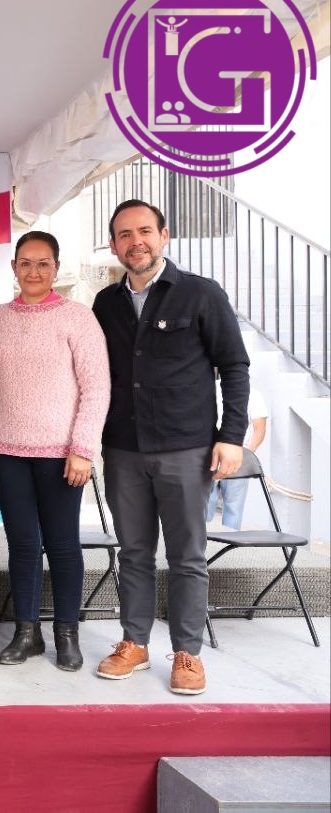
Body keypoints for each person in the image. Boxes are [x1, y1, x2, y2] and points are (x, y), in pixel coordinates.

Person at [93, 199, 249, 696]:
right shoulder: (105, 304)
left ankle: (187, 653)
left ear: (164, 236)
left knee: (187, 556)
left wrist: (231, 436)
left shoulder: (201, 294)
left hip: (186, 448)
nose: (135, 242)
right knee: (134, 552)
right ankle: (134, 643)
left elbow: (234, 366)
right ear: (114, 244)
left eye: (145, 231)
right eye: (124, 234)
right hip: (123, 448)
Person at [0, 231, 110, 671]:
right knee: (23, 544)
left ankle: (67, 633)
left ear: (56, 268)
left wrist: (83, 449)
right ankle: (26, 633)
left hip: (62, 453)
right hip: (5, 449)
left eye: (43, 263)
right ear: (13, 267)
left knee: (63, 544)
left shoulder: (78, 318)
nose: (33, 271)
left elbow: (97, 387)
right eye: (25, 263)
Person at [205, 376, 268, 529]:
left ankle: (201, 541)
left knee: (206, 506)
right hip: (218, 455)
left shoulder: (252, 394)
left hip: (228, 455)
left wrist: (246, 454)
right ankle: (218, 541)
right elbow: (260, 429)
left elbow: (259, 429)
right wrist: (247, 453)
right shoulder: (252, 393)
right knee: (231, 508)